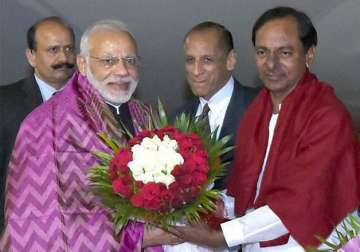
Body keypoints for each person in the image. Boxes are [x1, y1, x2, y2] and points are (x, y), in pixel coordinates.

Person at [169, 6, 360, 251]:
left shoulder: (327, 116)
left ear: (309, 54)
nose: (271, 63)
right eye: (262, 52)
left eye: (285, 52)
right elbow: (252, 188)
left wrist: (222, 237)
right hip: (255, 242)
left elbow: (299, 203)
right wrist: (220, 205)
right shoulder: (259, 111)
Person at [0, 19, 178, 251]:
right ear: (82, 64)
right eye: (109, 61)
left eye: (130, 60)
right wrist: (138, 237)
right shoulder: (45, 123)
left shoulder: (145, 115)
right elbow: (40, 223)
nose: (123, 71)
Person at [0, 16, 76, 232]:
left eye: (69, 49)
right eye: (53, 50)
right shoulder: (5, 102)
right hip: (19, 233)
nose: (64, 57)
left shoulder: (92, 104)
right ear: (31, 56)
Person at [177, 21, 258, 189]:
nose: (196, 71)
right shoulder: (175, 120)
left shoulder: (262, 107)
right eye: (190, 60)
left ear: (230, 61)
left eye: (207, 60)